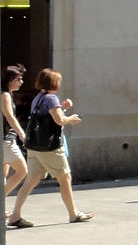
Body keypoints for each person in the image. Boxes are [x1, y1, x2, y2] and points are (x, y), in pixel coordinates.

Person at [7, 68, 91, 226]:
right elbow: (59, 120)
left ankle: (15, 214)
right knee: (64, 178)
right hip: (49, 147)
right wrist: (70, 118)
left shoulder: (38, 98)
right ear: (53, 83)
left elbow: (48, 116)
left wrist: (62, 107)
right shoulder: (51, 98)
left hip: (35, 146)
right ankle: (74, 214)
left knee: (31, 180)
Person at [0, 65, 28, 202]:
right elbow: (10, 117)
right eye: (18, 79)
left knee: (3, 175)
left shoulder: (7, 95)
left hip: (4, 140)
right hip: (6, 140)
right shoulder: (4, 95)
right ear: (10, 80)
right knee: (22, 170)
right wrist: (22, 134)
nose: (21, 82)